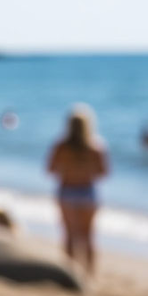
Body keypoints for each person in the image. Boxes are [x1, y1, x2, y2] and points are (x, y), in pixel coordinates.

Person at [48, 104, 109, 275]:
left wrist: (69, 169)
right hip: (87, 192)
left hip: (67, 191)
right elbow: (103, 173)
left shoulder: (61, 146)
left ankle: (70, 273)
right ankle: (90, 274)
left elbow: (50, 170)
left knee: (69, 236)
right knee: (88, 236)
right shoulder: (96, 146)